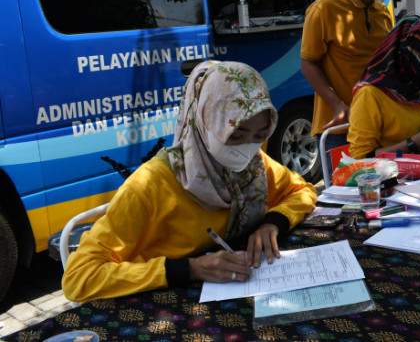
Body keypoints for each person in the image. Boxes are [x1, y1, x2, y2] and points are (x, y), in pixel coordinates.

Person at [62, 61, 317, 302]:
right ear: (203, 123)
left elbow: (301, 190)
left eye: (260, 135)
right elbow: (78, 278)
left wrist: (273, 223)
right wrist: (189, 269)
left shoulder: (254, 166)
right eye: (235, 135)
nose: (246, 149)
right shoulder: (149, 186)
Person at [301, 0, 411, 158]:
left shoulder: (383, 12)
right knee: (344, 190)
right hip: (340, 125)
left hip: (378, 122)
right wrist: (337, 105)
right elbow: (308, 63)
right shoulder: (324, 9)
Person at [346, 17, 420, 159]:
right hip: (388, 176)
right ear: (411, 59)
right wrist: (414, 143)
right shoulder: (370, 94)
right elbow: (360, 157)